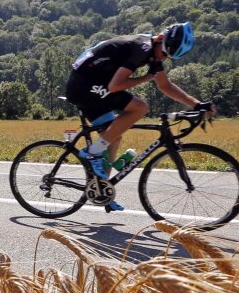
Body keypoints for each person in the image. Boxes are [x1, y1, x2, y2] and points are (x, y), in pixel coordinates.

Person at [65, 22, 210, 211]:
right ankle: (91, 152)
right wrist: (147, 77)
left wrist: (197, 104)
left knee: (113, 136)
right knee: (140, 107)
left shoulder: (154, 52)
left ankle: (102, 191)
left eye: (169, 57)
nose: (164, 59)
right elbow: (115, 86)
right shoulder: (141, 48)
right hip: (83, 84)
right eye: (165, 53)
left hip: (94, 84)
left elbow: (165, 86)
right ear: (161, 40)